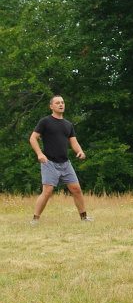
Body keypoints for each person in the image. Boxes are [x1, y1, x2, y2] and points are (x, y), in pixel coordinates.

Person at [29, 95, 92, 224]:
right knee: (47, 192)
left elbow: (74, 142)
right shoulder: (45, 121)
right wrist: (39, 154)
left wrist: (80, 151)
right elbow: (33, 138)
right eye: (57, 103)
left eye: (62, 102)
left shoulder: (68, 124)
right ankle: (35, 219)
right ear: (51, 106)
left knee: (76, 189)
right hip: (49, 163)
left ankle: (84, 218)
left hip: (65, 163)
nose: (61, 104)